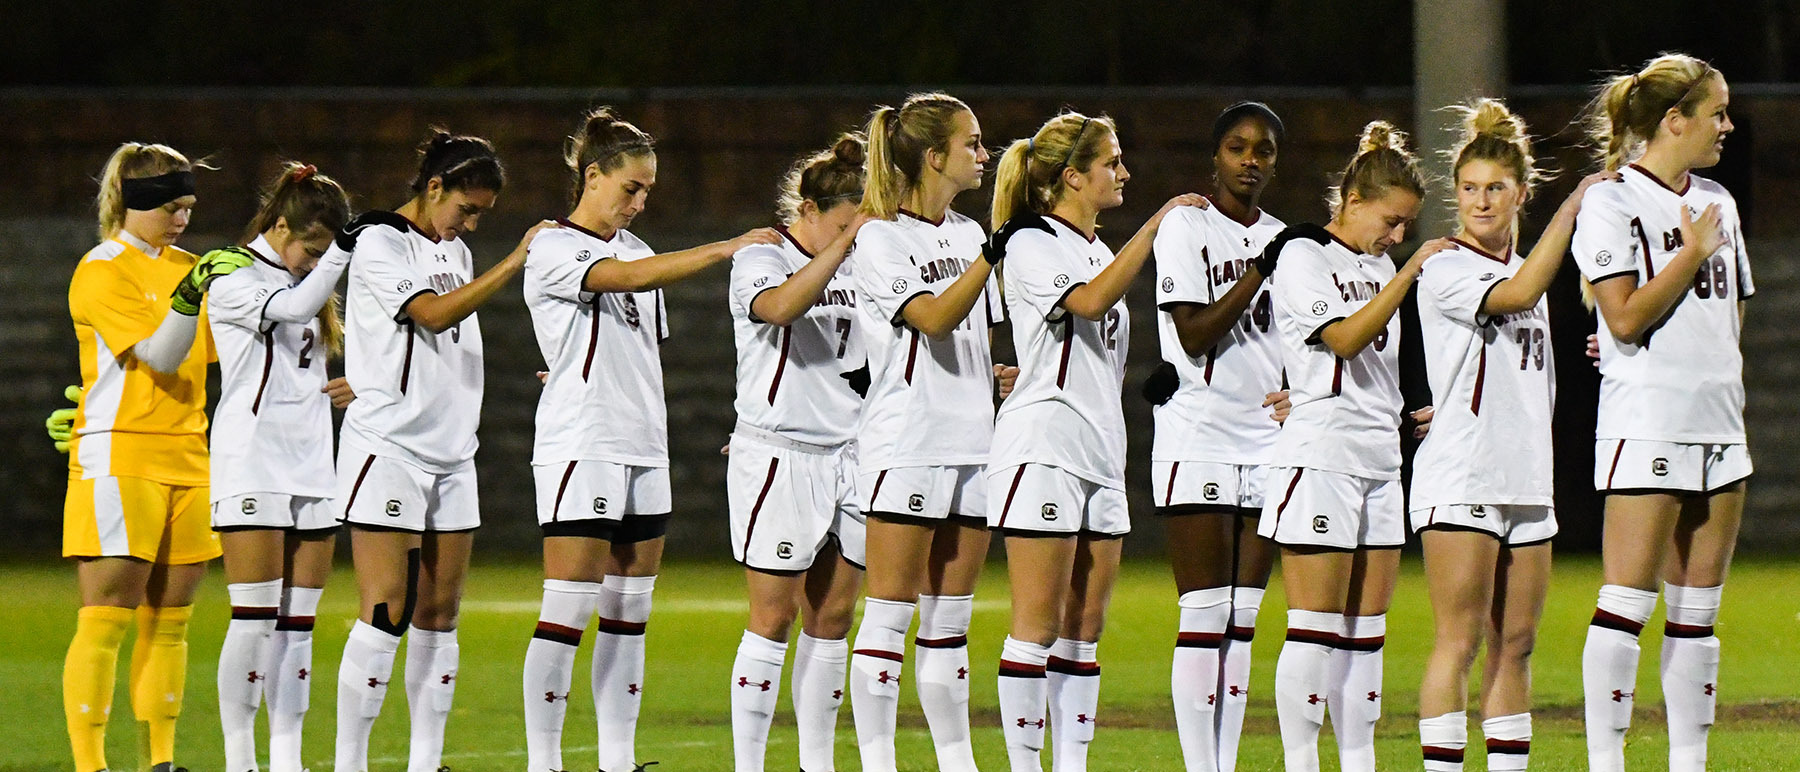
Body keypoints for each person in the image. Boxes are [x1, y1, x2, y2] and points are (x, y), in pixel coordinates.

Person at [518, 106, 782, 772]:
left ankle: (616, 760)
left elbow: (635, 340)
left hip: (642, 444)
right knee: (568, 608)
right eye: (630, 187)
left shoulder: (638, 250)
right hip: (584, 442)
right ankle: (544, 762)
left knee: (630, 609)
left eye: (647, 192)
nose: (638, 202)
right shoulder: (554, 246)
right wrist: (726, 248)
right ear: (593, 174)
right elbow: (624, 280)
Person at [985, 110, 1202, 771]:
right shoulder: (1029, 239)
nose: (1124, 172)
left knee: (1084, 630)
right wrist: (1157, 227)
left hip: (1102, 454)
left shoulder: (1098, 249)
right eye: (1111, 162)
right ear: (1072, 176)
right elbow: (1084, 303)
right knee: (1038, 624)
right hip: (1044, 447)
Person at [332, 129, 548, 772]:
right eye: (467, 208)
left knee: (440, 611)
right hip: (389, 448)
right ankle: (351, 762)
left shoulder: (449, 246)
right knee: (383, 609)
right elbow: (429, 316)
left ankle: (426, 762)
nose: (472, 223)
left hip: (453, 453)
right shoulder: (379, 241)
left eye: (483, 213)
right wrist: (514, 262)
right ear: (433, 188)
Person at [1409, 99, 1611, 772]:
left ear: (1519, 192)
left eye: (1495, 188)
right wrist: (1575, 206)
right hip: (1463, 477)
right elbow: (1520, 293)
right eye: (1469, 189)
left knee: (1516, 642)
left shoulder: (1522, 273)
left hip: (1525, 477)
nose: (1481, 201)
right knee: (1458, 640)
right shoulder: (1445, 267)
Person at [1572, 54, 1749, 772]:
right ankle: (1607, 763)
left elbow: (1726, 316)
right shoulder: (1611, 202)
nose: (1727, 126)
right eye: (1717, 112)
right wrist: (1688, 253)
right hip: (1647, 420)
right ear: (1675, 121)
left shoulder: (1720, 203)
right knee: (1625, 604)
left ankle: (1688, 763)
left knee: (1698, 618)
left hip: (1719, 423)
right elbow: (1621, 319)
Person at [61, 142, 247, 772]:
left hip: (191, 454)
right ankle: (91, 765)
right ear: (132, 204)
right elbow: (160, 356)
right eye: (170, 206)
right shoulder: (102, 269)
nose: (182, 220)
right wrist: (195, 293)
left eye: (189, 207)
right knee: (108, 612)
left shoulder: (188, 265)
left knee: (173, 619)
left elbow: (229, 352)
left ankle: (160, 762)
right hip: (121, 454)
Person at [1259, 121, 1428, 772]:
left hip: (1380, 459)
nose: (1396, 237)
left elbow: (1385, 360)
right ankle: (1303, 763)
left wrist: (1417, 405)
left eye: (1407, 227)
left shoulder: (1381, 265)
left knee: (1366, 635)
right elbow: (1344, 339)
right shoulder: (1304, 253)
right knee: (1315, 626)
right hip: (1322, 453)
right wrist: (1409, 270)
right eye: (1391, 221)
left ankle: (1359, 763)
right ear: (1354, 200)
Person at [847, 92, 1006, 772]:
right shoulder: (879, 237)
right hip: (907, 444)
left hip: (974, 443)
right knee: (888, 616)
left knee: (950, 625)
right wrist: (990, 254)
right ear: (934, 156)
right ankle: (879, 763)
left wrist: (1000, 375)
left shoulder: (969, 235)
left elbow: (972, 328)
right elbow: (934, 319)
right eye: (971, 143)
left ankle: (957, 762)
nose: (983, 153)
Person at [1147, 101, 1292, 772]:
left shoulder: (1288, 237)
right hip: (1199, 436)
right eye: (1238, 147)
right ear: (1216, 157)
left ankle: (1226, 763)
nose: (1250, 160)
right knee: (1204, 618)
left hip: (1267, 443)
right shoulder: (1186, 225)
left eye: (1263, 150)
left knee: (1243, 624)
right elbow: (1194, 332)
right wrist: (1262, 267)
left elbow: (1295, 341)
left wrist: (1300, 387)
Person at [724, 134, 871, 772]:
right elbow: (780, 308)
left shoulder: (861, 265)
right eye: (843, 223)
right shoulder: (762, 257)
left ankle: (817, 763)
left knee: (835, 616)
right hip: (780, 456)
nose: (854, 236)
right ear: (808, 210)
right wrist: (844, 248)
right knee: (774, 616)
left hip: (851, 455)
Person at [206, 162, 357, 772]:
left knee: (298, 624)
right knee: (254, 618)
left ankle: (288, 760)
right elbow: (294, 310)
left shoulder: (312, 279)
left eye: (324, 254)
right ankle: (240, 759)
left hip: (314, 462)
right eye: (311, 250)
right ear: (279, 225)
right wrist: (341, 258)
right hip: (253, 461)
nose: (315, 263)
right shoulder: (233, 274)